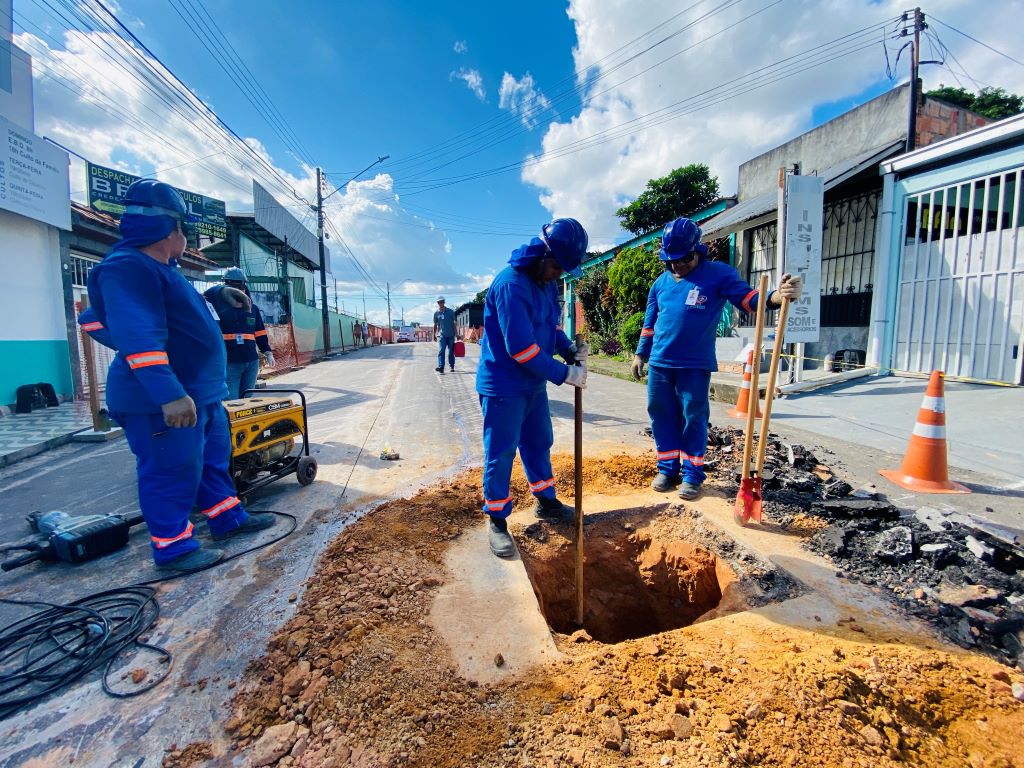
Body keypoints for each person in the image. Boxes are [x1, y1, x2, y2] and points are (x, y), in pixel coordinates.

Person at [86, 179, 275, 571]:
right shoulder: (128, 267)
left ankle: (227, 518)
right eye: (184, 229)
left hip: (201, 394)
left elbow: (179, 315)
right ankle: (174, 549)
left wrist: (217, 294)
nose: (186, 237)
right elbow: (136, 332)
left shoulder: (162, 270)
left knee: (210, 461)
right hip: (164, 401)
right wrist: (167, 392)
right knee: (171, 470)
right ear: (167, 228)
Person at [630, 216, 803, 501]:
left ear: (697, 250)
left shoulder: (719, 274)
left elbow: (749, 299)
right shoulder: (660, 283)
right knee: (660, 415)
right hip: (661, 362)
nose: (678, 265)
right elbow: (650, 322)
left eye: (684, 259)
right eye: (672, 260)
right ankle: (667, 468)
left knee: (693, 418)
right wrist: (640, 354)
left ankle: (692, 475)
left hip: (695, 364)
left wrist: (777, 297)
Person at [476, 218, 590, 558]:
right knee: (501, 453)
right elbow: (522, 349)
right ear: (541, 255)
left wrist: (569, 349)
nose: (558, 275)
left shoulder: (546, 284)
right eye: (556, 267)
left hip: (532, 387)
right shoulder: (510, 285)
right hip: (503, 386)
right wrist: (566, 373)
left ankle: (546, 501)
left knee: (539, 442)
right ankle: (496, 519)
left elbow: (550, 329)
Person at [204, 268, 275, 399]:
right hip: (230, 362)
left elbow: (259, 332)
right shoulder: (215, 305)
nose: (236, 287)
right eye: (231, 284)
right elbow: (206, 294)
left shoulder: (252, 308)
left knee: (247, 399)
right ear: (225, 283)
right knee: (231, 401)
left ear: (244, 284)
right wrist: (222, 291)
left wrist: (267, 352)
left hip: (251, 361)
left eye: (239, 284)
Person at [433, 296, 456, 373]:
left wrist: (456, 334)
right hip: (441, 335)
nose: (440, 303)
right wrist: (434, 335)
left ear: (444, 302)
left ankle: (452, 365)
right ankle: (441, 367)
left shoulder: (450, 312)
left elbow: (454, 324)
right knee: (441, 351)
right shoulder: (436, 313)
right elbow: (435, 325)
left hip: (450, 335)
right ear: (437, 303)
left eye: (442, 301)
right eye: (439, 302)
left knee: (450, 352)